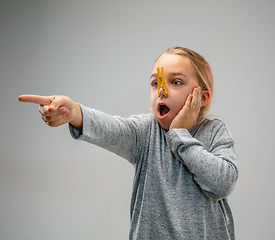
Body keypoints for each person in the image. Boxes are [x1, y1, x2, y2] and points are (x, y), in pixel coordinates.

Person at [18, 46, 239, 240]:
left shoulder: (214, 132)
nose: (162, 90)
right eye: (156, 82)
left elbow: (221, 183)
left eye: (176, 82)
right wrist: (73, 111)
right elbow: (110, 128)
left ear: (202, 97)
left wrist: (179, 134)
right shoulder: (145, 132)